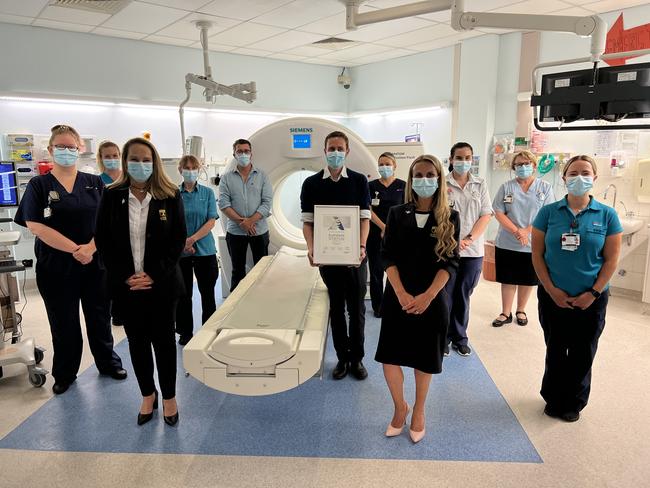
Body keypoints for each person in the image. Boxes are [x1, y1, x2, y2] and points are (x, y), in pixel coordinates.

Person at [14, 124, 126, 395]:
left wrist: (90, 248)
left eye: (71, 147)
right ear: (51, 150)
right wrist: (76, 249)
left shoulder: (95, 183)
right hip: (56, 267)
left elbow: (110, 222)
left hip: (95, 264)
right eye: (60, 147)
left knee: (99, 317)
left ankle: (108, 363)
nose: (66, 151)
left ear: (80, 149)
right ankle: (65, 373)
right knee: (64, 322)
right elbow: (35, 224)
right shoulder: (39, 185)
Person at [95, 137, 186, 426]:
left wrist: (154, 274)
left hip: (162, 285)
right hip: (127, 286)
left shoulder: (169, 196)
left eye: (146, 160)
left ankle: (169, 397)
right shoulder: (111, 195)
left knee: (164, 342)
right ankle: (148, 394)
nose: (141, 165)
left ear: (155, 163)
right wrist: (126, 276)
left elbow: (177, 241)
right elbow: (103, 240)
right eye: (135, 159)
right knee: (137, 342)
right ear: (125, 162)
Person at [375, 154, 460, 443]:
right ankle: (400, 408)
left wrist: (427, 297)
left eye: (430, 175)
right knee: (390, 357)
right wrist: (400, 292)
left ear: (439, 178)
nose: (424, 180)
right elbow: (387, 255)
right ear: (411, 180)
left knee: (424, 359)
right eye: (419, 175)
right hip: (398, 296)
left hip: (432, 299)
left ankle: (419, 411)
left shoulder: (450, 217)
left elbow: (449, 262)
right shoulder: (397, 213)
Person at [532, 155, 622, 423]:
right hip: (553, 296)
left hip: (591, 299)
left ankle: (574, 402)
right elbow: (537, 254)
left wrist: (593, 293)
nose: (579, 177)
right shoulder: (548, 213)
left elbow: (611, 260)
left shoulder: (607, 215)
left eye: (585, 173)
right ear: (564, 178)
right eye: (573, 173)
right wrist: (550, 289)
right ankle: (553, 397)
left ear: (594, 179)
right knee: (556, 348)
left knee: (583, 351)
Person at [300, 131, 371, 381]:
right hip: (328, 258)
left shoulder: (360, 181)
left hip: (355, 258)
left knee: (357, 309)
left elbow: (364, 219)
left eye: (340, 148)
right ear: (325, 150)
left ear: (348, 151)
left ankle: (357, 358)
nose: (336, 152)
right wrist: (311, 248)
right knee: (337, 309)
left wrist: (362, 247)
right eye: (332, 148)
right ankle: (342, 358)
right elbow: (308, 223)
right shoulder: (311, 184)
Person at [491, 151, 555, 327]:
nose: (523, 167)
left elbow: (548, 214)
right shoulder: (506, 187)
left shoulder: (545, 187)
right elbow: (498, 211)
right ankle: (506, 312)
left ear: (534, 166)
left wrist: (527, 231)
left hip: (533, 242)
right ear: (514, 168)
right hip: (508, 241)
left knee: (528, 278)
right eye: (519, 164)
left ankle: (521, 310)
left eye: (527, 163)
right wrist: (517, 231)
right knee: (508, 278)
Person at [444, 142, 493, 356]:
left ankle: (460, 337)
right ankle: (442, 338)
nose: (464, 162)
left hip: (472, 252)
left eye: (468, 158)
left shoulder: (479, 184)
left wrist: (469, 239)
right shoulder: (441, 184)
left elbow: (486, 214)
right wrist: (453, 240)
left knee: (463, 294)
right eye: (459, 157)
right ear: (451, 159)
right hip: (446, 248)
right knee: (445, 294)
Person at [175, 155, 219, 346]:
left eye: (194, 167)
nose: (190, 170)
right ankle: (185, 332)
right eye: (187, 167)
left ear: (199, 170)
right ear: (180, 170)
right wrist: (183, 242)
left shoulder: (208, 193)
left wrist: (192, 239)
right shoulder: (173, 194)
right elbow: (171, 222)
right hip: (180, 250)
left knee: (207, 292)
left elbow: (211, 221)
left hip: (205, 250)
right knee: (183, 294)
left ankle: (208, 330)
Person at [218, 138, 273, 291]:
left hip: (259, 230)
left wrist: (250, 221)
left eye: (246, 151)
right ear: (234, 154)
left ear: (251, 153)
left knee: (262, 271)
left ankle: (260, 301)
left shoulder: (262, 176)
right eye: (240, 151)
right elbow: (223, 204)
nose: (243, 154)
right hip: (235, 232)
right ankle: (234, 307)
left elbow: (267, 202)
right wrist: (242, 222)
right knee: (237, 271)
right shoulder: (226, 178)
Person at [368, 152, 406, 317]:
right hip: (375, 234)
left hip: (397, 235)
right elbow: (367, 209)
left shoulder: (403, 186)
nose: (384, 167)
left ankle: (396, 303)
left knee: (395, 272)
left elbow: (407, 209)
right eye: (381, 164)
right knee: (376, 272)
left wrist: (391, 230)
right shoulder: (371, 186)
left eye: (387, 164)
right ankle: (378, 307)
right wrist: (384, 227)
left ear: (394, 166)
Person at [96, 140, 125, 327]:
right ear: (101, 159)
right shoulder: (98, 182)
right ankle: (116, 313)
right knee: (112, 275)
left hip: (130, 235)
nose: (112, 159)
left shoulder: (128, 178)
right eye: (108, 157)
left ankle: (126, 309)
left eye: (115, 155)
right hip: (110, 237)